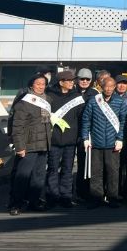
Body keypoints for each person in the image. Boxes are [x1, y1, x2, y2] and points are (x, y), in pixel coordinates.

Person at [80, 76, 127, 209]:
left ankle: (113, 197)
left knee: (113, 172)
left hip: (113, 144)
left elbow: (124, 122)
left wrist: (120, 139)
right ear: (101, 87)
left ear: (114, 87)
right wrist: (85, 138)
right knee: (96, 172)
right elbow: (86, 120)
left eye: (111, 86)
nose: (108, 89)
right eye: (106, 86)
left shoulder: (120, 102)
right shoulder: (93, 101)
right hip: (95, 143)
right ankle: (96, 198)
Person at [8, 74, 52, 215]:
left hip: (43, 144)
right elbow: (17, 126)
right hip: (28, 144)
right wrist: (19, 146)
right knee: (23, 176)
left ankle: (34, 201)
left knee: (38, 176)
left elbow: (47, 123)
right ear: (31, 85)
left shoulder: (47, 100)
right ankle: (16, 204)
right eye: (38, 83)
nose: (41, 86)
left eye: (43, 84)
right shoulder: (24, 102)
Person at [46, 70, 84, 208]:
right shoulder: (49, 96)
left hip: (71, 139)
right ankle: (52, 196)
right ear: (61, 82)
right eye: (69, 80)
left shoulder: (77, 97)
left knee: (68, 169)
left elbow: (82, 117)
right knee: (52, 168)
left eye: (73, 80)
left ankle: (66, 196)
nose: (72, 82)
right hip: (54, 139)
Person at [74, 67, 97, 202]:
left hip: (89, 134)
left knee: (88, 164)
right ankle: (77, 192)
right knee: (73, 165)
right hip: (72, 132)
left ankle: (88, 192)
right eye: (82, 79)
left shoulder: (95, 94)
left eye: (87, 79)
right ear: (77, 79)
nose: (84, 81)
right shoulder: (71, 92)